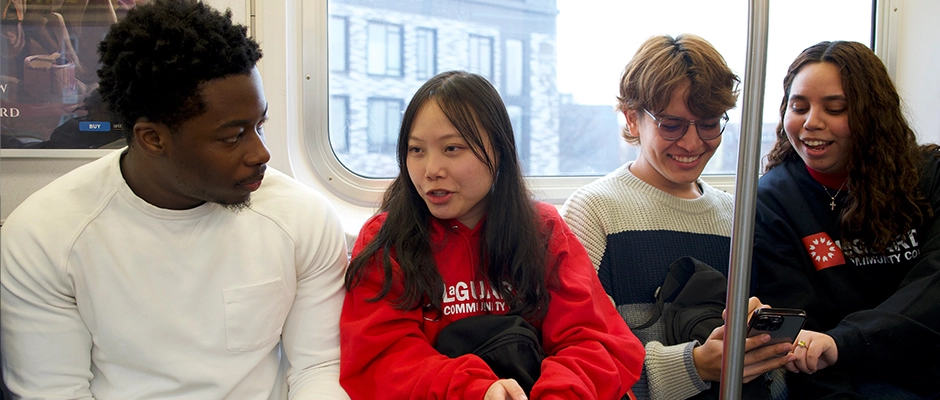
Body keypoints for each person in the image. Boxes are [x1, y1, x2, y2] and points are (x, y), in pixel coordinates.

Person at [0, 1, 349, 398]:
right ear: (153, 139)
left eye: (260, 125)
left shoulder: (302, 217)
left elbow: (318, 368)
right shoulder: (45, 236)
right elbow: (56, 392)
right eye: (233, 136)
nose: (260, 153)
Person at [340, 70, 645, 400]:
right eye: (416, 150)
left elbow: (593, 340)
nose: (431, 169)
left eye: (452, 148)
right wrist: (474, 390)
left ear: (498, 151)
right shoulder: (388, 239)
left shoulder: (542, 230)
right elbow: (383, 357)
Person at [562, 34, 794, 400]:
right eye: (671, 125)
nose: (691, 143)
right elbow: (585, 353)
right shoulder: (593, 211)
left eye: (708, 124)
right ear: (632, 118)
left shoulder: (735, 214)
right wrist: (695, 365)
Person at [755, 40, 940, 399]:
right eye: (799, 107)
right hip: (846, 380)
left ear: (873, 114)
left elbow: (933, 285)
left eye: (835, 108)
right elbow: (797, 331)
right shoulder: (773, 201)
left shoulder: (928, 177)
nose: (811, 123)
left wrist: (847, 340)